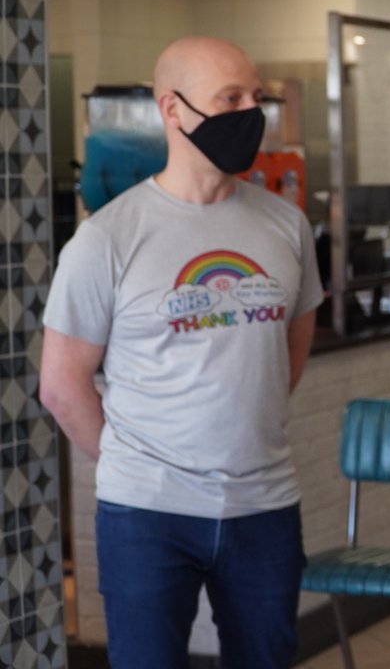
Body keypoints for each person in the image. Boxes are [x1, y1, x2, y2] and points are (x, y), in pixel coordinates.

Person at [39, 36, 324, 668]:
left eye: (257, 96)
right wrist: (142, 459)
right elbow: (61, 385)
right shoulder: (107, 238)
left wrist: (241, 424)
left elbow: (288, 352)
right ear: (173, 110)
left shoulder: (287, 225)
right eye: (231, 98)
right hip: (148, 515)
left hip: (264, 506)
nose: (252, 111)